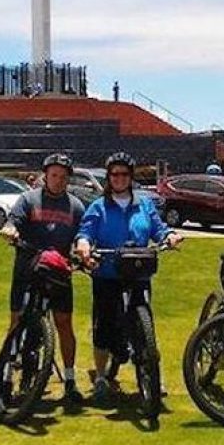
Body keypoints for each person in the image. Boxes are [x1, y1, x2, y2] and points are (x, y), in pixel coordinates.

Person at [74, 151, 183, 402]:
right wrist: (84, 246)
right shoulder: (98, 206)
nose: (119, 179)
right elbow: (86, 232)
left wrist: (170, 236)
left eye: (124, 174)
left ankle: (151, 374)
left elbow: (159, 228)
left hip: (138, 272)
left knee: (145, 325)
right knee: (104, 325)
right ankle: (101, 376)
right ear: (109, 178)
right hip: (108, 272)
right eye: (114, 174)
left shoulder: (144, 204)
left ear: (130, 177)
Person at [0, 153, 86, 403]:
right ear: (45, 176)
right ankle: (6, 375)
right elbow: (13, 221)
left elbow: (82, 234)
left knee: (64, 323)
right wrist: (10, 230)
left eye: (63, 177)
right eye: (54, 175)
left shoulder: (76, 206)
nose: (58, 180)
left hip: (59, 271)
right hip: (28, 268)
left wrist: (83, 250)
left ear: (69, 179)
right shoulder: (28, 199)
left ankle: (70, 380)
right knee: (16, 322)